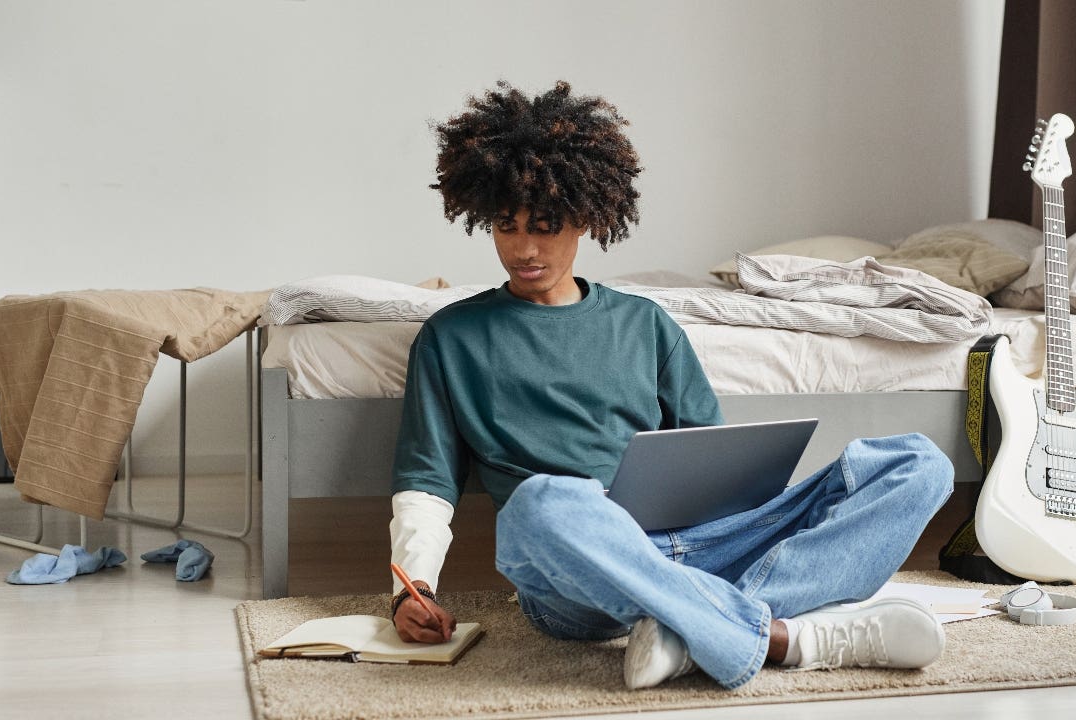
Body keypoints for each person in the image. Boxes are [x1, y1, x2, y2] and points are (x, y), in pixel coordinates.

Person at [389, 80, 954, 690]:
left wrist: (745, 515)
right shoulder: (450, 338)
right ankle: (784, 637)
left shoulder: (645, 323)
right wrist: (409, 589)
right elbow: (426, 482)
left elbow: (711, 461)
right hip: (577, 576)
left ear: (584, 218)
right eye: (506, 226)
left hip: (702, 544)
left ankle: (684, 628)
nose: (524, 248)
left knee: (919, 463)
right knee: (538, 502)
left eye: (546, 225)